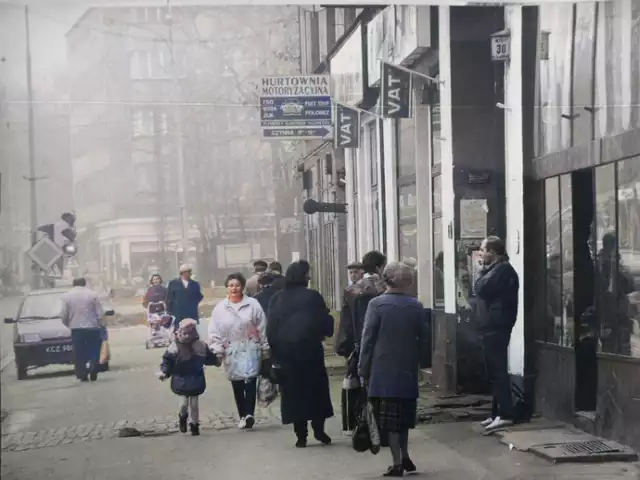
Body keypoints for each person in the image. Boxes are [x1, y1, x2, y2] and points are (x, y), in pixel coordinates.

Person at [359, 262, 429, 477]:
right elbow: (425, 338)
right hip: (407, 367)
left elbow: (368, 339)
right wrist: (422, 362)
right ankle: (405, 455)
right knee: (404, 417)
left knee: (390, 419)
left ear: (385, 279)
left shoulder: (376, 305)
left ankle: (397, 462)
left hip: (383, 368)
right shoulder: (415, 306)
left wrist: (363, 367)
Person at [267, 260, 334, 448]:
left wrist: (274, 356)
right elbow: (325, 325)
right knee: (316, 392)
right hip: (310, 351)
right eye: (308, 274)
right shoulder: (313, 297)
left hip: (286, 354)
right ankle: (319, 429)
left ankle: (301, 435)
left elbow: (271, 329)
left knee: (293, 394)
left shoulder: (277, 299)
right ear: (303, 276)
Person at [335, 250, 387, 434]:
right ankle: (381, 425)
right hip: (382, 346)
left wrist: (344, 346)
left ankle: (358, 424)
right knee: (380, 385)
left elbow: (346, 323)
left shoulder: (351, 291)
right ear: (380, 267)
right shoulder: (386, 289)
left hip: (358, 344)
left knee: (357, 383)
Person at [209, 272, 269, 429]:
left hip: (251, 347)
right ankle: (242, 414)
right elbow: (215, 332)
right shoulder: (220, 309)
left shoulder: (253, 304)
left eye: (236, 285)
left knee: (250, 380)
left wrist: (265, 347)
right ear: (226, 288)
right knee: (237, 384)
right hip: (231, 349)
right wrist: (217, 350)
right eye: (230, 285)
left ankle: (249, 414)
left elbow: (262, 327)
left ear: (242, 286)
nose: (234, 288)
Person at [475, 236, 519, 431]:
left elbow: (481, 288)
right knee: (493, 371)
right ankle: (496, 412)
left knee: (497, 370)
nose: (480, 254)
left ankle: (505, 414)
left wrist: (479, 271)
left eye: (483, 250)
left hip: (496, 326)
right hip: (491, 325)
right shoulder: (497, 269)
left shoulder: (502, 270)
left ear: (492, 252)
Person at [159, 318, 220, 436]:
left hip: (196, 377)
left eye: (190, 331)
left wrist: (216, 361)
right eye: (185, 332)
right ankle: (183, 416)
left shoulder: (200, 345)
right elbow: (167, 361)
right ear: (180, 332)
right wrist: (164, 372)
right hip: (180, 377)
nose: (187, 335)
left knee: (194, 404)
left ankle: (194, 424)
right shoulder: (174, 346)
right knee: (183, 404)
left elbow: (208, 357)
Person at [60, 277, 105, 382]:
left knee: (79, 352)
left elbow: (63, 314)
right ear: (85, 284)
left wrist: (68, 324)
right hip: (92, 328)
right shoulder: (93, 295)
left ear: (73, 284)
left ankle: (82, 374)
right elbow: (99, 313)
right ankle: (93, 365)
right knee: (94, 350)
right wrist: (101, 325)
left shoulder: (67, 296)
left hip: (77, 329)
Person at [166, 265, 203, 331]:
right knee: (178, 332)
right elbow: (169, 298)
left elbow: (199, 297)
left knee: (192, 332)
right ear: (182, 273)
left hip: (191, 313)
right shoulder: (173, 283)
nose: (189, 274)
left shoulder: (195, 284)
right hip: (178, 313)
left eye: (189, 272)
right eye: (187, 272)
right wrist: (169, 311)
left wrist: (193, 304)